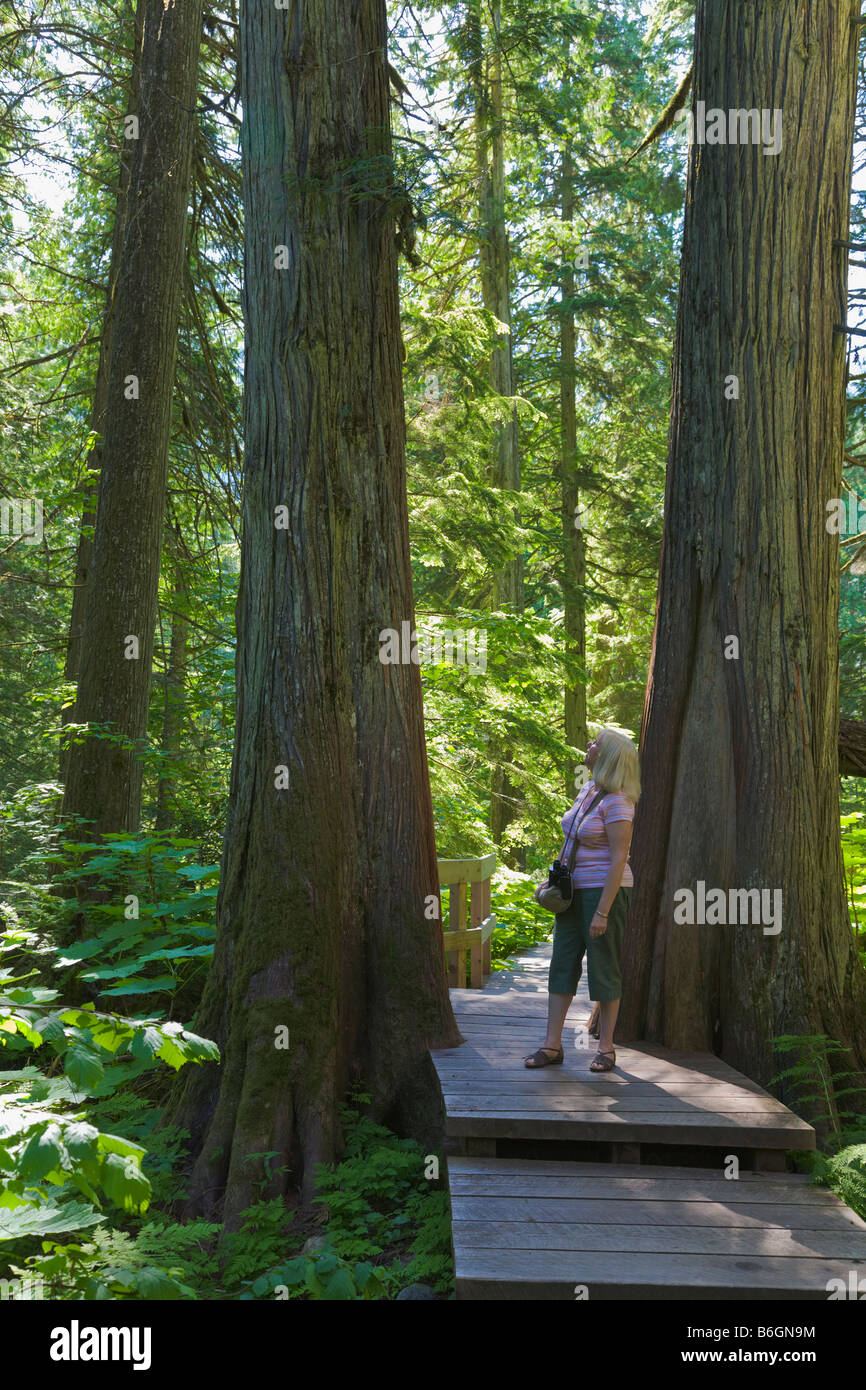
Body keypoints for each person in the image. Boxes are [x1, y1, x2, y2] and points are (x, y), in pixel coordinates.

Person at [525, 726, 640, 1073]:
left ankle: (606, 1048)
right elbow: (572, 840)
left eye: (596, 744)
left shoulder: (619, 801)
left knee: (603, 968)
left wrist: (602, 912)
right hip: (573, 892)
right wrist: (551, 881)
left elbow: (619, 858)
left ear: (606, 757)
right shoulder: (589, 790)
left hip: (605, 894)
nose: (589, 746)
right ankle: (552, 1045)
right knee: (562, 964)